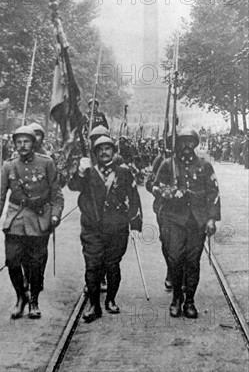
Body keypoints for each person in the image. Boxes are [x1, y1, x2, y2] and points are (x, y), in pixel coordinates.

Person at [0, 126, 64, 319]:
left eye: (26, 141)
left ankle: (34, 301)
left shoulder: (47, 163)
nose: (22, 146)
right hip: (15, 219)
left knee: (36, 263)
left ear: (34, 143)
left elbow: (57, 195)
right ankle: (21, 296)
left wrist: (55, 215)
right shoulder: (8, 166)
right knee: (12, 261)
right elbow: (0, 195)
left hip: (39, 220)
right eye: (18, 142)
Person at [68, 136, 142, 323]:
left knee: (112, 265)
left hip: (116, 227)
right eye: (99, 149)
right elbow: (72, 186)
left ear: (114, 150)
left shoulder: (124, 172)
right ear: (94, 152)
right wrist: (80, 172)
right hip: (92, 227)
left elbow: (133, 198)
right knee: (92, 266)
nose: (104, 152)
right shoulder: (88, 171)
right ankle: (94, 305)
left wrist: (135, 223)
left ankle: (110, 299)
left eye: (107, 148)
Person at [152, 128, 221, 319]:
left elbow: (213, 193)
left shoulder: (205, 166)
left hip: (197, 221)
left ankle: (189, 301)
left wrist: (211, 218)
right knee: (174, 259)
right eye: (182, 142)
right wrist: (164, 192)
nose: (186, 146)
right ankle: (176, 298)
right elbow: (154, 184)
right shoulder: (168, 165)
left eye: (190, 142)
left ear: (195, 144)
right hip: (173, 219)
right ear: (177, 144)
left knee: (192, 262)